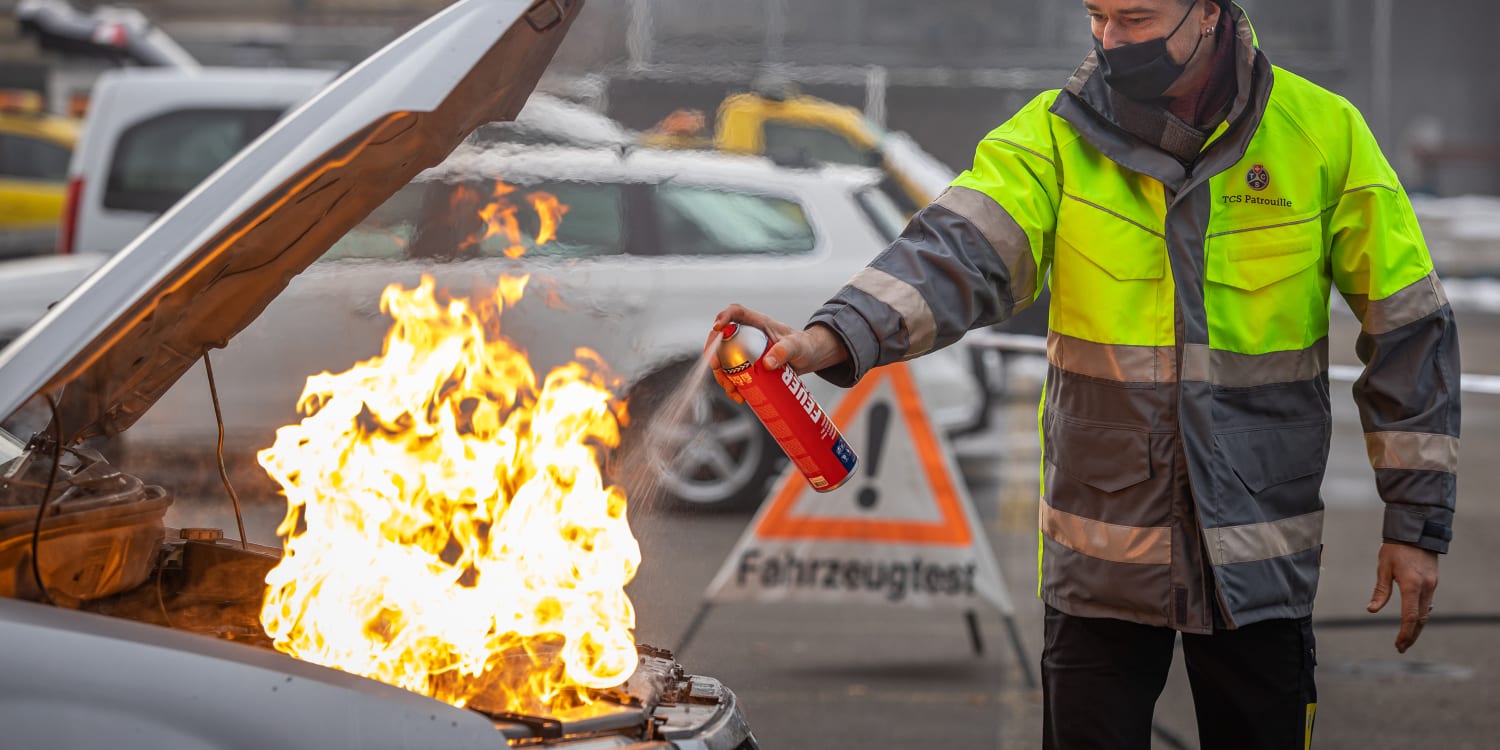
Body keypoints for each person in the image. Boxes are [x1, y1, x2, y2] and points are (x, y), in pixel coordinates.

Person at [709, 1, 1461, 747]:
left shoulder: (1325, 135)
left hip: (1257, 565)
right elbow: (957, 251)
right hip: (1102, 565)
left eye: (1135, 18)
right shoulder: (1055, 135)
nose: (1110, 40)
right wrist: (832, 335)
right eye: (1098, 16)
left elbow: (1409, 326)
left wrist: (1415, 523)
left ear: (1207, 13)